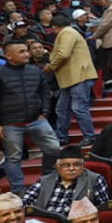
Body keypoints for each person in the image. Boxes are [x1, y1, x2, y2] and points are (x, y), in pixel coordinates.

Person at [0, 42, 62, 194]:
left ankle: (48, 178)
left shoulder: (35, 71)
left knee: (54, 148)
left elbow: (45, 93)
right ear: (8, 55)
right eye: (22, 52)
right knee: (13, 158)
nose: (27, 54)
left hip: (36, 119)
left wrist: (45, 112)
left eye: (27, 51)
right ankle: (18, 190)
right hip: (10, 122)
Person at [45, 13, 98, 146]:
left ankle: (89, 136)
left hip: (78, 76)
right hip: (70, 77)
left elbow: (63, 54)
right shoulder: (69, 32)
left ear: (55, 27)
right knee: (61, 109)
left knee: (79, 108)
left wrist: (51, 66)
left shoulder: (67, 33)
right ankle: (61, 136)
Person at [20, 145, 110, 215]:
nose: (71, 169)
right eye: (66, 165)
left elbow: (104, 210)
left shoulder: (95, 180)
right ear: (57, 167)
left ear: (83, 166)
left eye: (77, 165)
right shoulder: (44, 180)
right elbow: (24, 203)